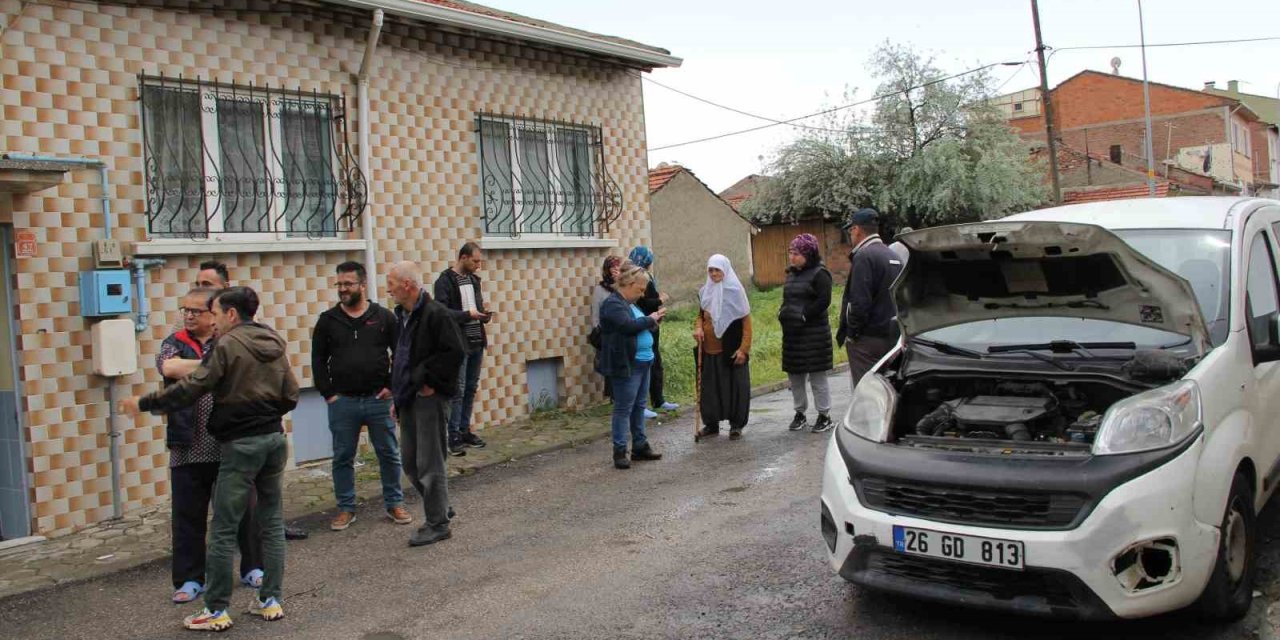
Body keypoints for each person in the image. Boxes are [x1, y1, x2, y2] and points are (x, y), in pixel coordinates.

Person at [122, 287, 299, 632]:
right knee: (272, 521)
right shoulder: (273, 342)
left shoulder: (228, 345)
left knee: (222, 528)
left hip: (241, 444)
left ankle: (216, 609)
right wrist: (265, 415)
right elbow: (291, 394)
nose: (213, 320)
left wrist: (144, 404)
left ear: (232, 315)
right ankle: (270, 600)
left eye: (216, 313)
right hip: (274, 439)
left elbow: (193, 387)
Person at [159, 287, 264, 605]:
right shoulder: (173, 343)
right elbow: (169, 368)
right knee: (188, 516)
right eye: (185, 310)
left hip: (229, 443)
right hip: (187, 444)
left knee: (243, 509)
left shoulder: (230, 339)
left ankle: (253, 567)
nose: (188, 316)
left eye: (196, 311)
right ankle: (190, 578)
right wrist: (214, 366)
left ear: (213, 313)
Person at [191, 259, 308, 540]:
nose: (201, 290)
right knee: (224, 495)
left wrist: (261, 413)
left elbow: (280, 384)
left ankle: (257, 542)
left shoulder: (244, 331)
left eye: (207, 285)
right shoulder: (192, 323)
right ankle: (240, 541)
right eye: (198, 284)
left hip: (245, 427)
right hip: (208, 426)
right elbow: (174, 365)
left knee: (255, 487)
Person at [312, 261, 411, 532]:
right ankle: (346, 508)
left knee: (388, 453)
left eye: (348, 284)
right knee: (342, 456)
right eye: (339, 284)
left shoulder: (383, 317)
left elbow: (401, 353)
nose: (343, 289)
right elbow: (318, 361)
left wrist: (392, 385)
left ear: (362, 285)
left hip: (378, 400)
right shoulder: (328, 321)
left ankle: (394, 503)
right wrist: (328, 394)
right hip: (342, 401)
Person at [386, 261, 466, 547]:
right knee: (409, 462)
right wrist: (398, 395)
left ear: (407, 284)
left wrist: (431, 382)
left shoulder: (435, 314)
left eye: (392, 282)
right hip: (408, 397)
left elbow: (455, 352)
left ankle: (438, 523)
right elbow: (403, 358)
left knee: (429, 463)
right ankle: (440, 506)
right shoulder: (403, 316)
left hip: (428, 399)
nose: (388, 288)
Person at [596, 262, 666, 469]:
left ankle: (639, 445)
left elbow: (639, 326)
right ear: (630, 283)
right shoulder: (613, 304)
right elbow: (628, 326)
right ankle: (619, 451)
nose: (642, 294)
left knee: (639, 406)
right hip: (627, 363)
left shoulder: (631, 304)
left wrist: (653, 322)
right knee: (623, 408)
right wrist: (650, 318)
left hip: (643, 362)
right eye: (640, 289)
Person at [836, 208, 903, 393]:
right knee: (888, 391)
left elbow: (859, 302)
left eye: (850, 230)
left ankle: (868, 422)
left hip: (867, 340)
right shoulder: (893, 255)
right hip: (892, 336)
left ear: (856, 229)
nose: (850, 235)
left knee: (867, 394)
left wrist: (852, 334)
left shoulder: (864, 256)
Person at [433, 242, 491, 457]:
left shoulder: (474, 281)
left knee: (471, 387)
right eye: (475, 260)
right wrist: (468, 315)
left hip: (476, 340)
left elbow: (476, 307)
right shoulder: (445, 281)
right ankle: (453, 434)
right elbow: (441, 313)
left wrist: (483, 315)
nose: (478, 265)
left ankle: (465, 429)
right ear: (463, 257)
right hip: (458, 343)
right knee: (457, 389)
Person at [778, 234, 835, 434]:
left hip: (814, 335)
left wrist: (804, 316)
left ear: (808, 254)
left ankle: (824, 415)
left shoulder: (820, 274)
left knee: (817, 377)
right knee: (795, 377)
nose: (792, 257)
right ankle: (800, 413)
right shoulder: (792, 274)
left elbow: (823, 301)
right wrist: (783, 314)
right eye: (791, 253)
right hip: (793, 336)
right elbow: (787, 299)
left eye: (797, 253)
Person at [694, 255, 752, 440]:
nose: (713, 273)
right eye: (710, 270)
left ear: (725, 270)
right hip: (709, 351)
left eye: (717, 270)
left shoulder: (736, 291)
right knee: (710, 390)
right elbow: (700, 316)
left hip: (731, 350)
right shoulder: (705, 292)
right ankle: (711, 424)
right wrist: (698, 328)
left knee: (735, 389)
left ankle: (736, 426)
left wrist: (743, 349)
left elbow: (746, 323)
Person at [629, 246, 679, 418]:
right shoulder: (637, 279)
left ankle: (658, 399)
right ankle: (641, 405)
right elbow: (643, 303)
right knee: (644, 365)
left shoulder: (647, 277)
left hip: (652, 323)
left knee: (655, 362)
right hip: (643, 324)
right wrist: (660, 299)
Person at [590, 256, 623, 398]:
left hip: (623, 329)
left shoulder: (623, 286)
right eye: (613, 267)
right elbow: (595, 313)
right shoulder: (600, 289)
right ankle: (613, 396)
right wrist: (598, 330)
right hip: (608, 332)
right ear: (607, 270)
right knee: (611, 365)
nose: (616, 269)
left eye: (618, 267)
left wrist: (620, 283)